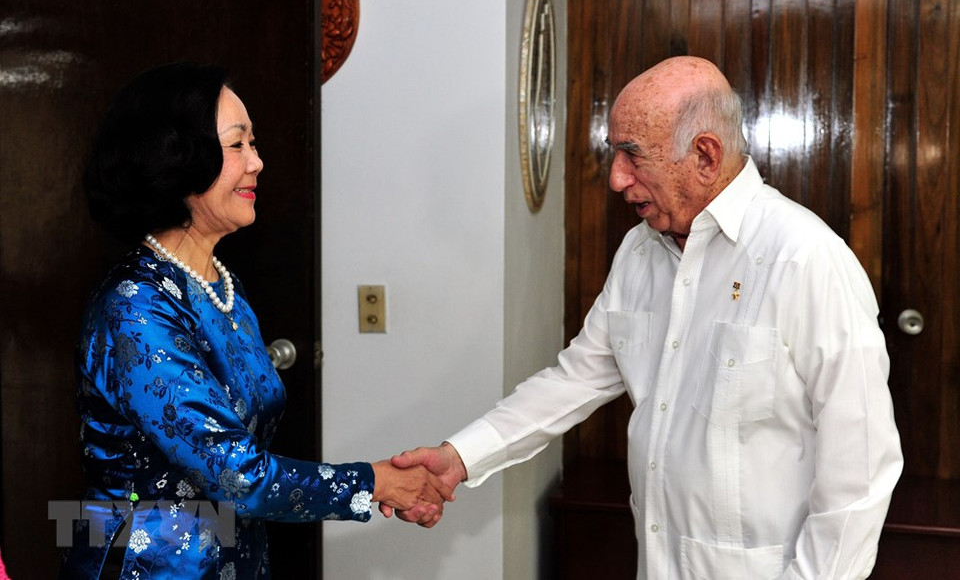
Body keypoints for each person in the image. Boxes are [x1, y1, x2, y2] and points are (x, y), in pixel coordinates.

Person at [386, 56, 903, 578]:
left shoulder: (805, 257)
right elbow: (575, 380)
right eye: (615, 154)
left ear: (705, 155)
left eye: (632, 155)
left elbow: (860, 470)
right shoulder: (639, 251)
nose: (615, 178)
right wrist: (461, 457)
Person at [61, 63, 452, 578]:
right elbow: (237, 476)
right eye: (237, 145)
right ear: (177, 160)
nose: (258, 163)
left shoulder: (221, 285)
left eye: (255, 144)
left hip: (232, 558)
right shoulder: (135, 304)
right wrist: (375, 482)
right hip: (146, 566)